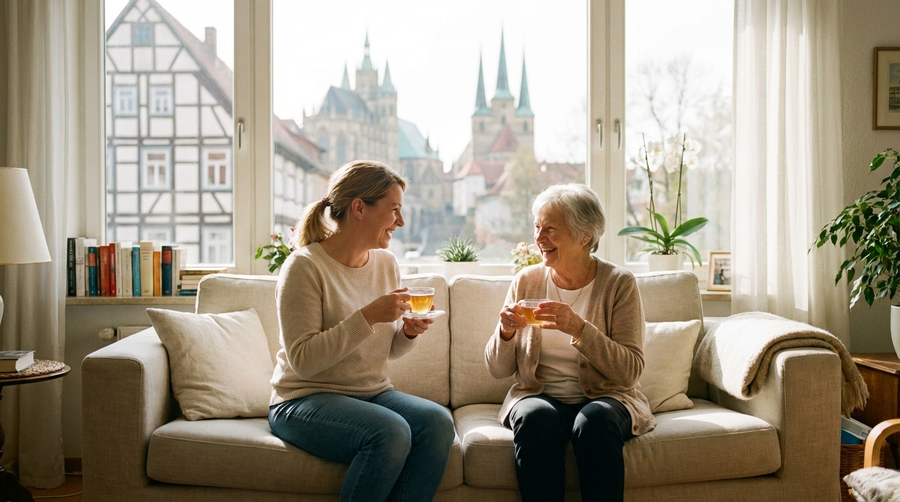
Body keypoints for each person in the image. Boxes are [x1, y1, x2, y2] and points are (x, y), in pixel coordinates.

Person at [268, 160, 455, 502]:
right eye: (394, 210)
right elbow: (303, 361)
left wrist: (408, 333)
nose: (401, 222)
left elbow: (389, 349)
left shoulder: (386, 263)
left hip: (371, 393)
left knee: (437, 422)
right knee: (391, 431)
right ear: (359, 208)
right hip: (303, 399)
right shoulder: (304, 267)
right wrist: (367, 316)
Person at [484, 183, 655, 502]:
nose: (539, 238)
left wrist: (579, 328)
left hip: (607, 396)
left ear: (584, 235)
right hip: (540, 395)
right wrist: (505, 333)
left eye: (550, 229)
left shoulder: (618, 284)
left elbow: (629, 372)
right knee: (534, 418)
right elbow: (497, 369)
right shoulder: (526, 281)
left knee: (595, 422)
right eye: (537, 227)